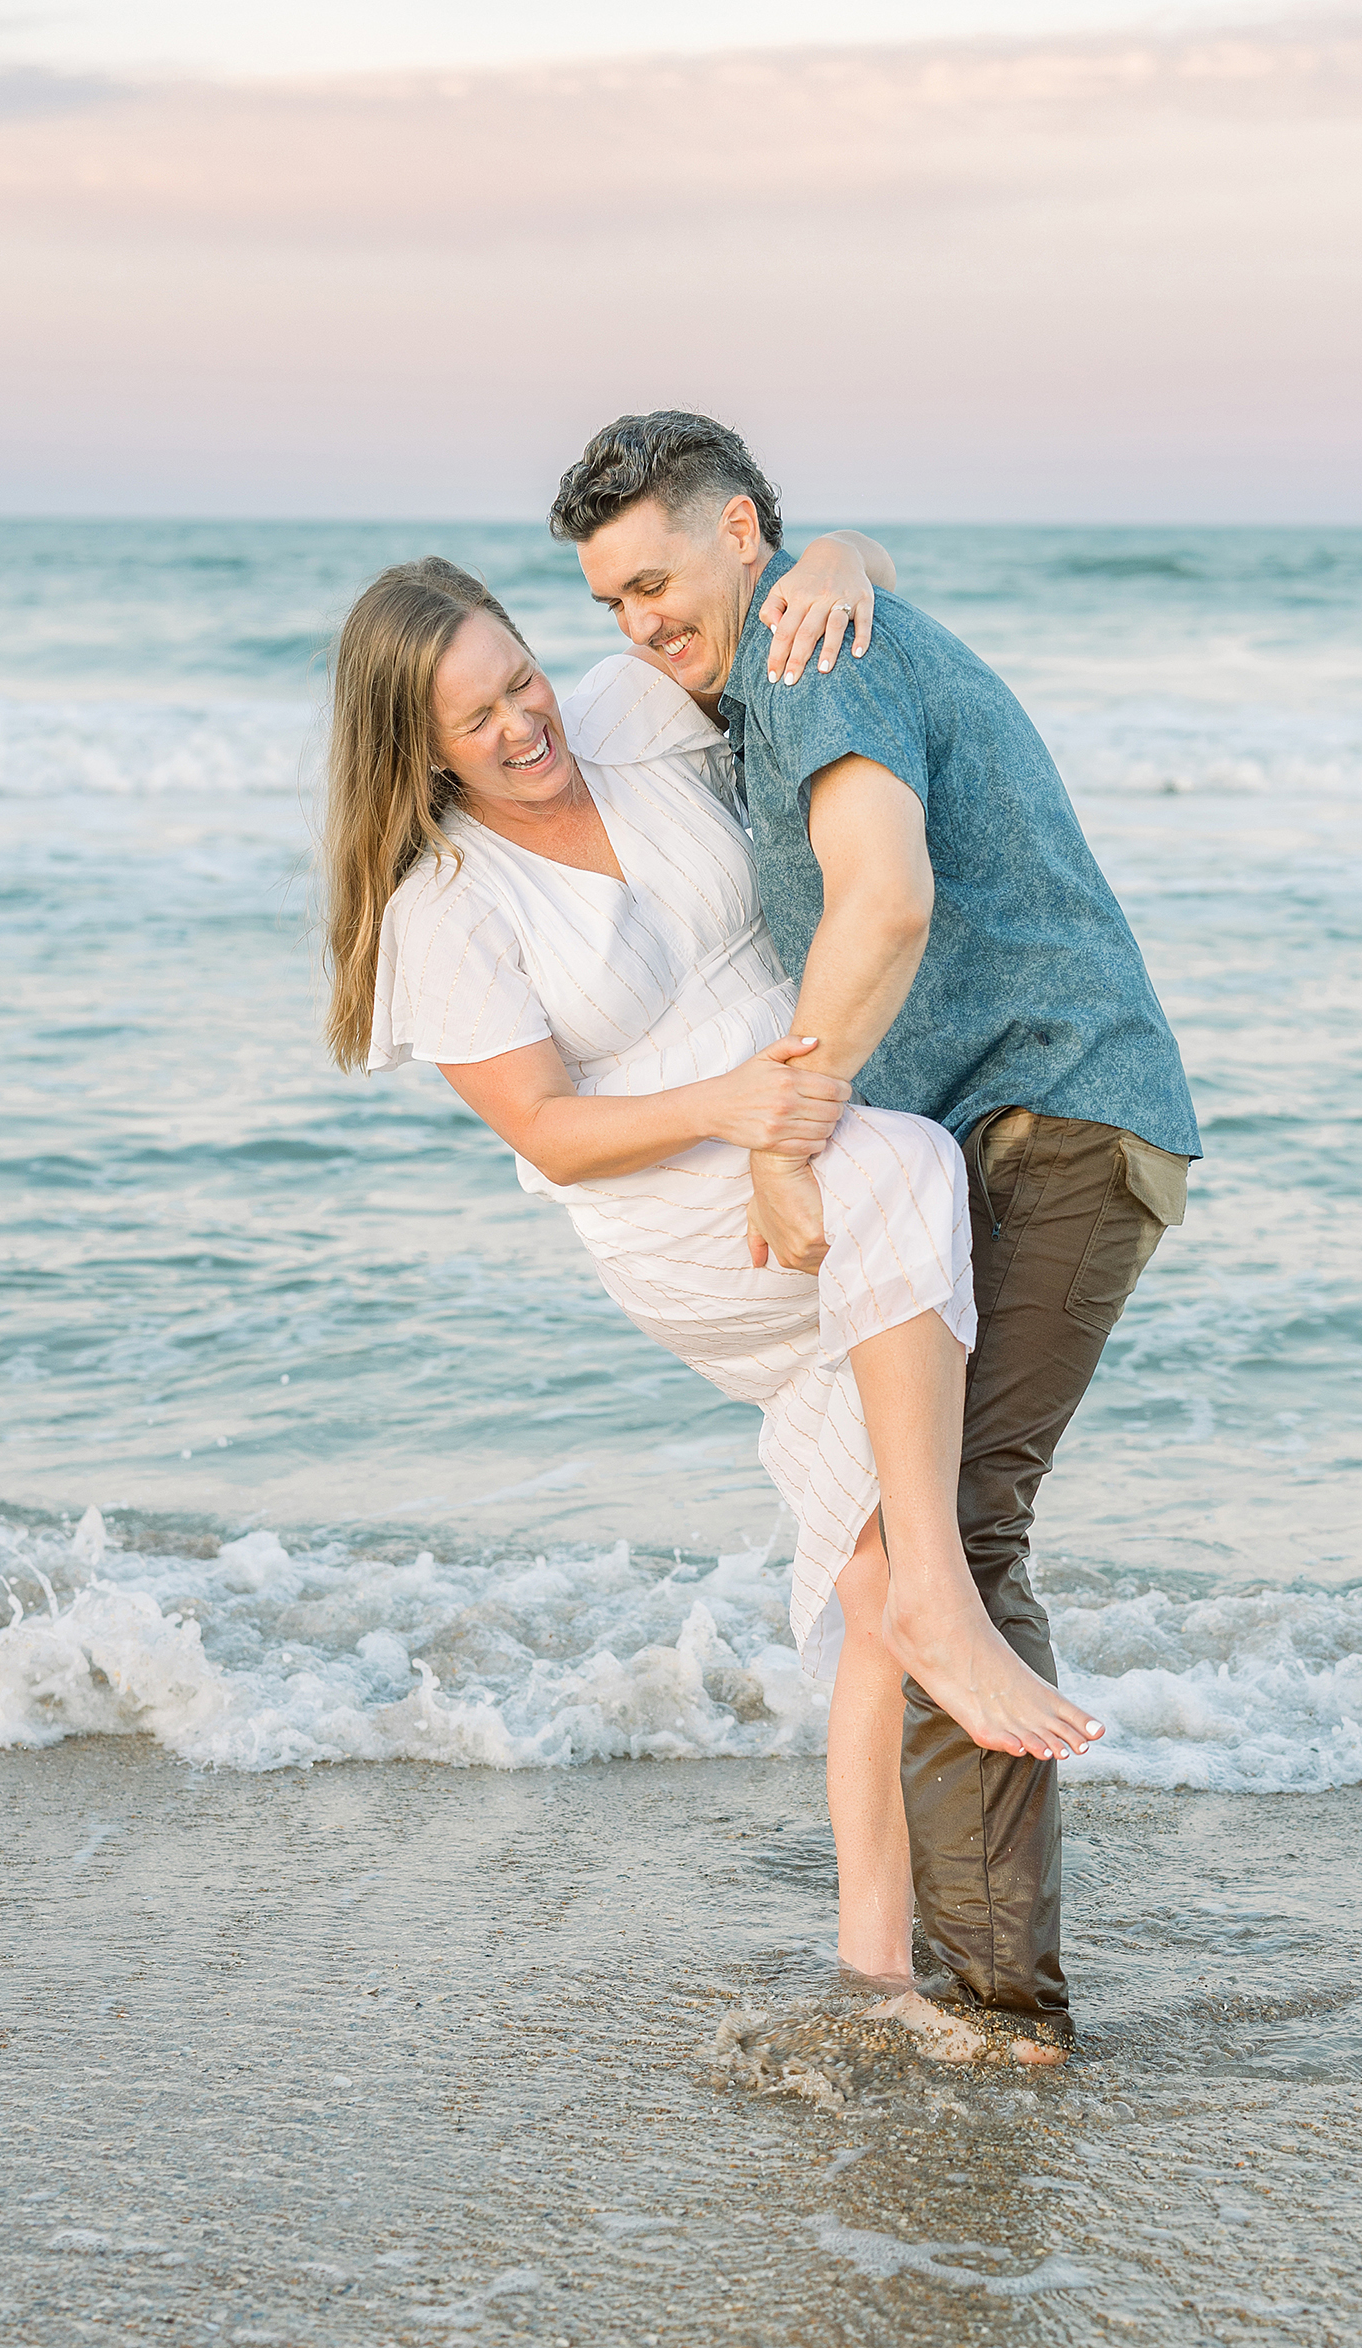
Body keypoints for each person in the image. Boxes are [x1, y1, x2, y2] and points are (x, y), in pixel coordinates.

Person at [320, 534, 1102, 2056]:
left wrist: (844, 556)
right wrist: (741, 1118)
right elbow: (550, 1131)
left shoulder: (621, 709)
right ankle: (950, 1598)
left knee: (864, 1548)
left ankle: (871, 1958)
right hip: (685, 1201)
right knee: (908, 1176)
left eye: (519, 676)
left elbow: (756, 641)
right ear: (412, 754)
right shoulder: (444, 907)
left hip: (803, 1123)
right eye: (473, 721)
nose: (523, 724)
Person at [552, 412, 1202, 2061]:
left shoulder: (803, 659)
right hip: (1013, 1128)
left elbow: (886, 899)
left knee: (950, 1553)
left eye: (655, 580)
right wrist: (846, 553)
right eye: (610, 602)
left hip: (1049, 1119)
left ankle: (1005, 2021)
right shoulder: (803, 623)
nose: (638, 623)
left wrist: (786, 1142)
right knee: (914, 1547)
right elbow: (843, 583)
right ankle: (931, 1973)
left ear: (743, 530)